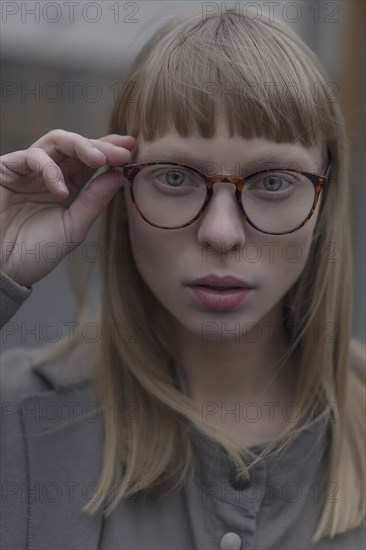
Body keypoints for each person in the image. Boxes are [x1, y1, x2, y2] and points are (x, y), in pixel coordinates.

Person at [1, 8, 365, 550]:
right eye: (174, 177)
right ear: (121, 191)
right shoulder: (18, 418)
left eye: (272, 181)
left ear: (324, 199)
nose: (221, 234)